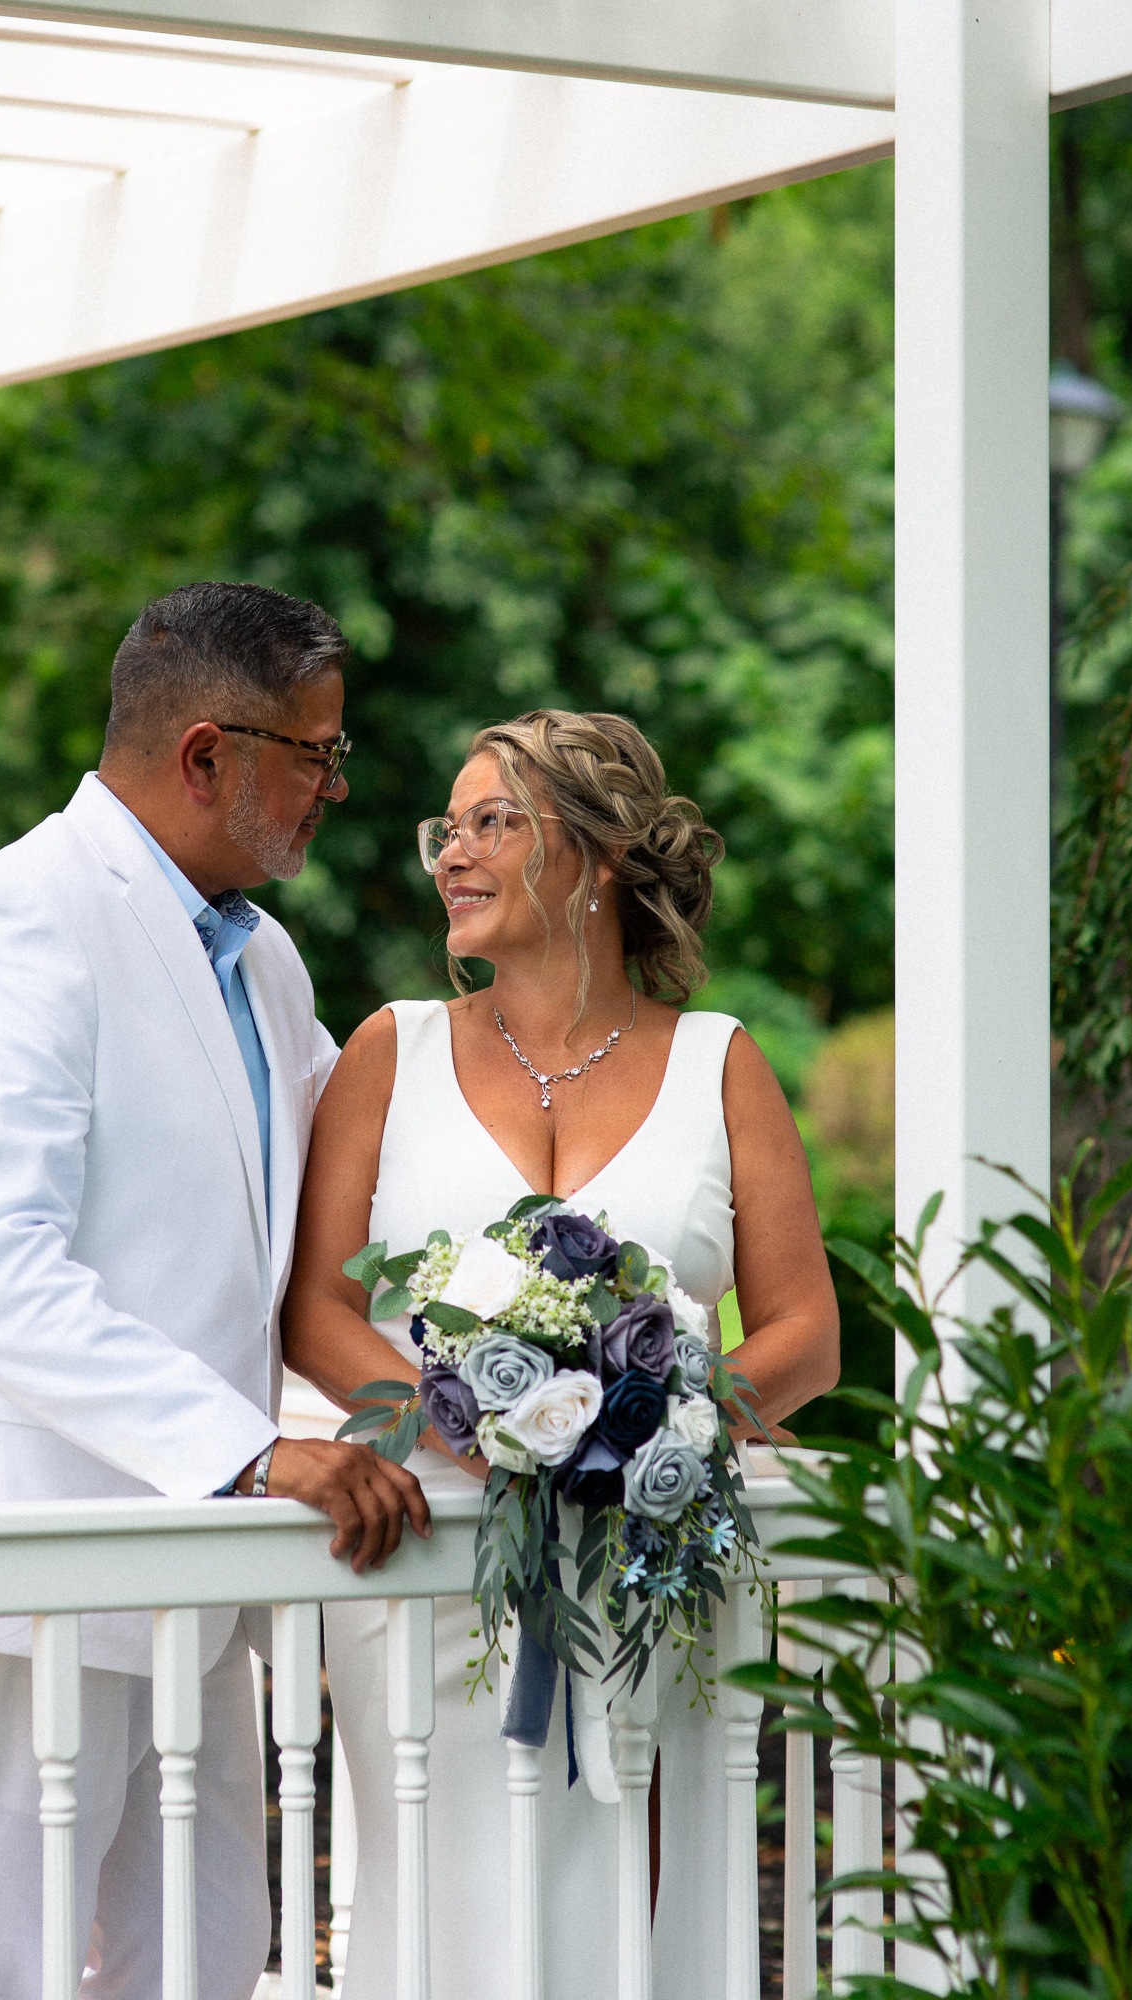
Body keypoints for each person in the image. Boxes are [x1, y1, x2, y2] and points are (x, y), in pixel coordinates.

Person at [0, 581, 429, 2000]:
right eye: (317, 755)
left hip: (185, 1572)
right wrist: (248, 1451)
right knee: (6, 1964)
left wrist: (557, 1377)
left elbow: (334, 1234)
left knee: (208, 1953)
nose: (336, 791)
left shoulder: (268, 960)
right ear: (206, 754)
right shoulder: (18, 921)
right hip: (22, 1564)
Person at [283, 707, 839, 1997]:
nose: (449, 854)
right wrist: (455, 1420)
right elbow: (315, 1306)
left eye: (492, 822)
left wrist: (656, 1426)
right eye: (447, 825)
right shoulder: (391, 1048)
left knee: (646, 1914)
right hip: (433, 1552)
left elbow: (805, 1329)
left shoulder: (722, 1065)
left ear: (590, 860)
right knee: (440, 1904)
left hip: (660, 1557)